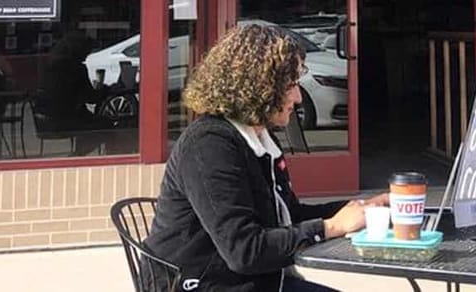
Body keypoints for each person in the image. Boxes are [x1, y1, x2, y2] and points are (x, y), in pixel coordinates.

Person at [145, 22, 387, 292]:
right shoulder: (208, 145)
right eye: (291, 85)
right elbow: (244, 251)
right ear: (257, 87)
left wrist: (362, 208)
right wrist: (331, 226)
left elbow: (290, 215)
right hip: (199, 283)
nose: (297, 97)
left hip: (248, 279)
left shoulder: (258, 138)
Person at [36, 30, 110, 155]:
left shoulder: (48, 67)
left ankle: (78, 155)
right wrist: (105, 89)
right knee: (109, 126)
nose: (87, 55)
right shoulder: (76, 68)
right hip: (68, 120)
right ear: (79, 50)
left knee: (91, 121)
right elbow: (91, 97)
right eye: (86, 51)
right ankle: (80, 155)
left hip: (46, 121)